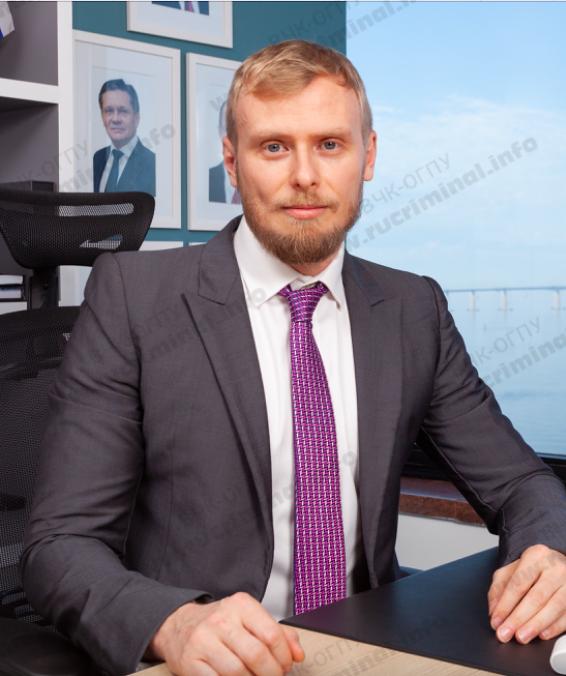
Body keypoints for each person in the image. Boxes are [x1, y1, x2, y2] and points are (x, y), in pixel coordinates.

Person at [21, 40, 566, 676]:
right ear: (232, 161)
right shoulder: (134, 299)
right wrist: (172, 622)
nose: (305, 175)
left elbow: (522, 483)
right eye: (274, 147)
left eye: (330, 144)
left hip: (370, 650)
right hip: (212, 664)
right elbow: (58, 546)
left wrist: (548, 552)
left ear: (368, 155)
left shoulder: (413, 308)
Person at [93, 79, 156, 196]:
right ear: (102, 116)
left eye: (123, 111)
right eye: (109, 111)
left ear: (136, 118)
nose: (116, 119)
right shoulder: (97, 158)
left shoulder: (153, 164)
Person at [209, 99, 241, 204]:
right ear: (220, 132)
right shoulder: (205, 181)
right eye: (228, 128)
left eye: (241, 128)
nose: (235, 136)